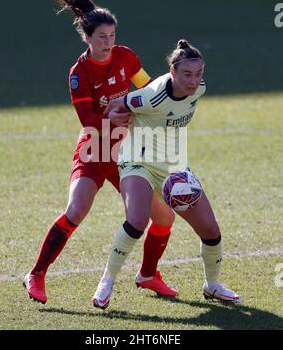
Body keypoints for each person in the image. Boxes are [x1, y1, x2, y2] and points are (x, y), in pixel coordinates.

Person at [23, 0, 178, 304]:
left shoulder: (126, 58)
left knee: (163, 216)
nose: (108, 43)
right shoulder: (78, 73)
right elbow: (88, 121)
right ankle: (35, 274)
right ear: (87, 38)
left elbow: (148, 89)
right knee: (76, 211)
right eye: (102, 38)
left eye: (112, 36)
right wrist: (118, 114)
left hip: (129, 153)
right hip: (95, 149)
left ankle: (148, 274)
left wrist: (164, 100)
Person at [92, 39, 243, 309]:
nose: (193, 81)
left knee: (210, 229)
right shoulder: (151, 95)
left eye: (198, 74)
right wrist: (117, 119)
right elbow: (115, 105)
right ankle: (107, 280)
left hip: (174, 167)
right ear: (172, 73)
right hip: (137, 160)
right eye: (187, 74)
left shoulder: (199, 90)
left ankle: (212, 285)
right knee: (137, 220)